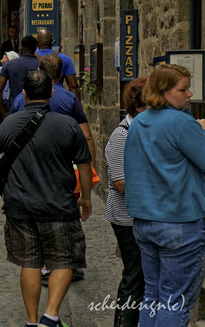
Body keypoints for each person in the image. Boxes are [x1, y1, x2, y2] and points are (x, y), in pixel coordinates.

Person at [0, 70, 92, 327]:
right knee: (64, 259)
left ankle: (31, 321)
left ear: (23, 94)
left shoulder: (7, 125)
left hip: (20, 205)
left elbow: (0, 163)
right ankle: (51, 315)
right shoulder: (67, 124)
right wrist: (86, 197)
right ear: (51, 92)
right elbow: (83, 163)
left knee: (30, 262)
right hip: (58, 204)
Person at [124, 63, 205, 327]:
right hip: (179, 221)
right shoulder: (181, 122)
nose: (189, 94)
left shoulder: (139, 122)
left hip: (144, 222)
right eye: (183, 89)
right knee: (175, 301)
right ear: (164, 91)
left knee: (152, 295)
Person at [103, 77, 146, 327]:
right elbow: (119, 182)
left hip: (139, 215)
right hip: (126, 218)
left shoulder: (142, 129)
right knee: (134, 276)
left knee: (141, 276)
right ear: (139, 106)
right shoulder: (123, 134)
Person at [11, 55, 96, 163]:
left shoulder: (22, 98)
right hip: (62, 160)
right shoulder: (70, 99)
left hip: (29, 160)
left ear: (39, 71)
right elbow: (87, 136)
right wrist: (91, 171)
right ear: (60, 75)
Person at [0, 35, 40, 119]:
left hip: (14, 110)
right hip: (36, 111)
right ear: (35, 48)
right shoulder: (40, 65)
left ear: (21, 48)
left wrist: (4, 115)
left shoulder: (9, 65)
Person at [35, 30, 80, 97]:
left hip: (36, 99)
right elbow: (74, 86)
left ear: (37, 42)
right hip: (59, 97)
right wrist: (76, 105)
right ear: (52, 42)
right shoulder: (65, 59)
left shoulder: (31, 59)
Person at [0, 51, 18, 141]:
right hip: (8, 101)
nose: (3, 56)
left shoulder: (1, 70)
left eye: (6, 56)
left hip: (0, 101)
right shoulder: (14, 71)